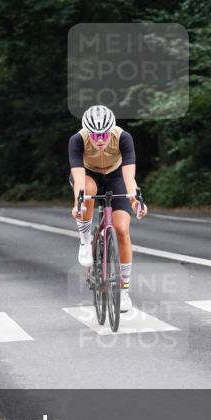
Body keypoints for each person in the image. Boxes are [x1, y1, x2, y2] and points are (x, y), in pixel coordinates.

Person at [69, 105, 147, 313]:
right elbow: (78, 180)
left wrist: (136, 201)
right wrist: (78, 203)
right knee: (88, 190)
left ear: (111, 129)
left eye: (104, 134)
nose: (100, 139)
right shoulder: (77, 140)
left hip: (116, 177)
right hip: (89, 176)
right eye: (95, 135)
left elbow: (129, 177)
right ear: (87, 132)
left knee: (122, 230)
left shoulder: (124, 137)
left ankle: (124, 291)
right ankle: (85, 242)